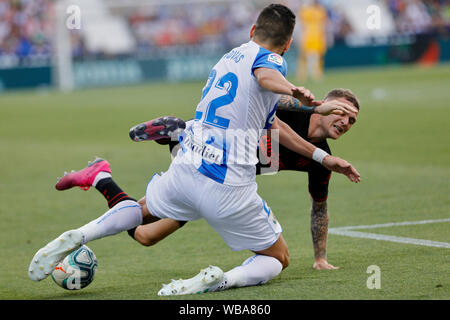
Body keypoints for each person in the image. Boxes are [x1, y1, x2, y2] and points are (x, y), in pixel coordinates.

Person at [28, 4, 360, 295]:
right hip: (228, 184)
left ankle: (84, 230)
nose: (344, 121)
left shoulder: (230, 57)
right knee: (278, 257)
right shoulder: (271, 61)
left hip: (189, 164)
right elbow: (265, 75)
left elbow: (272, 120)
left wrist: (323, 155)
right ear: (289, 44)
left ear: (252, 30)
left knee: (145, 229)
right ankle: (219, 281)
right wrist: (294, 89)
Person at [124, 88, 359, 271]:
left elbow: (320, 207)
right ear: (328, 106)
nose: (346, 123)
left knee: (146, 235)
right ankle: (176, 134)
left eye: (352, 121)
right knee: (142, 221)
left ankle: (104, 180)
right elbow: (270, 99)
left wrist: (320, 258)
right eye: (343, 113)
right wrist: (314, 108)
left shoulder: (323, 160)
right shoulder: (296, 109)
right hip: (208, 151)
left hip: (221, 184)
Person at [296, 0, 328, 82]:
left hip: (317, 36)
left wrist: (324, 37)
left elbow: (324, 24)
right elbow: (301, 25)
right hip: (307, 35)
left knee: (318, 56)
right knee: (304, 56)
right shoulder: (305, 10)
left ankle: (316, 74)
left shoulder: (321, 10)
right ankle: (302, 75)